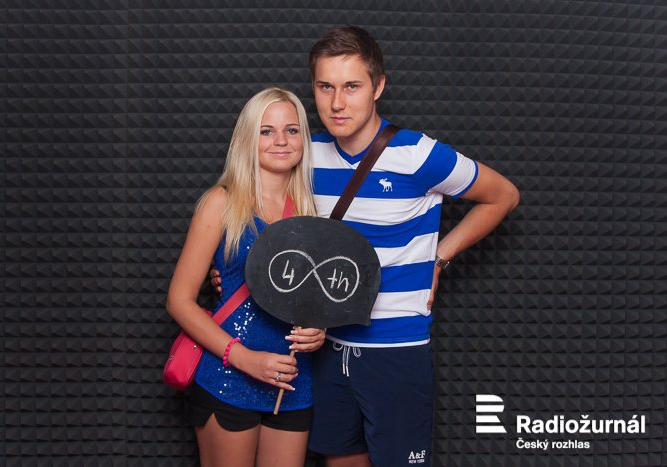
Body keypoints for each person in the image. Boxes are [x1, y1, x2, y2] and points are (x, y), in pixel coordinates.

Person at [212, 26, 520, 467]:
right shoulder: (305, 155)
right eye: (325, 87)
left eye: (352, 86)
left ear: (378, 86)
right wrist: (233, 272)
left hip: (396, 351)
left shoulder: (418, 154)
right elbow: (268, 225)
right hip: (325, 349)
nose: (337, 103)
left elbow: (503, 195)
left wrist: (439, 259)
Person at [166, 87, 327, 467]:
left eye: (291, 130)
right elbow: (179, 300)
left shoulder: (310, 211)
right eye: (266, 131)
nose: (281, 141)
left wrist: (319, 330)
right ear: (247, 138)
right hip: (229, 377)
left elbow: (311, 297)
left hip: (292, 383)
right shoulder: (220, 203)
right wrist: (244, 359)